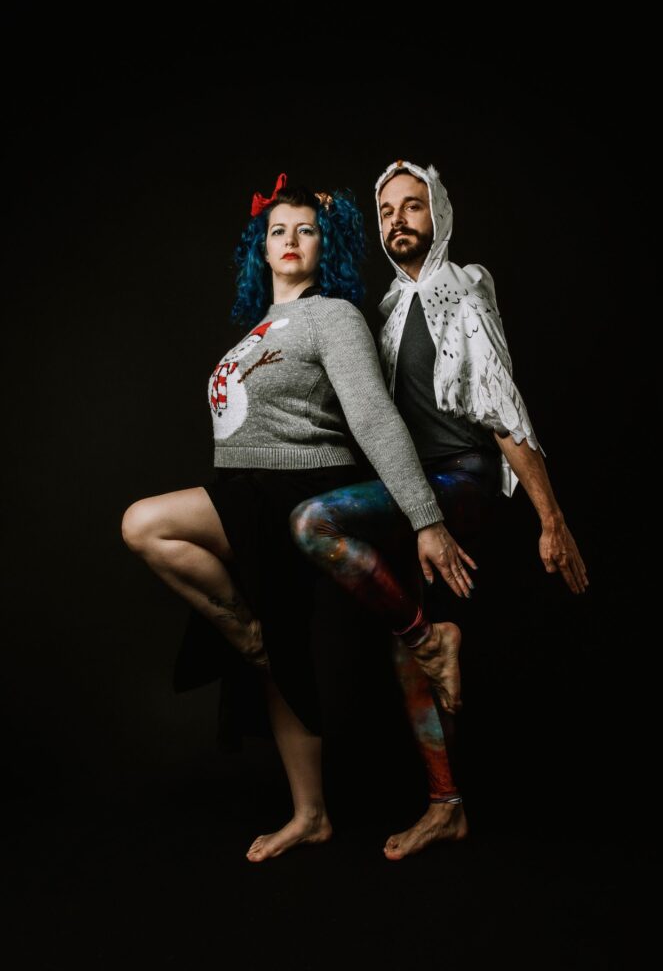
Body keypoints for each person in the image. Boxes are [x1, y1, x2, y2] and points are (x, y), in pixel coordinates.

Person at [121, 174, 475, 863]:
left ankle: (247, 636)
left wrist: (424, 519)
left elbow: (373, 418)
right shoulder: (259, 327)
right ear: (261, 248)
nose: (290, 240)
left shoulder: (332, 316)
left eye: (305, 230)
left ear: (324, 244)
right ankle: (310, 815)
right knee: (280, 664)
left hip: (293, 489)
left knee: (144, 524)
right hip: (244, 489)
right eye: (277, 230)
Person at [290, 159, 589, 860]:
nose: (397, 219)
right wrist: (327, 220)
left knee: (315, 523)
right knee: (407, 647)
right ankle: (446, 806)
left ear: (440, 215)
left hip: (459, 481)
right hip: (412, 489)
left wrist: (551, 520)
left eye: (412, 206)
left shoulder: (464, 293)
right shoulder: (391, 309)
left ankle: (433, 639)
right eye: (386, 210)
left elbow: (503, 412)